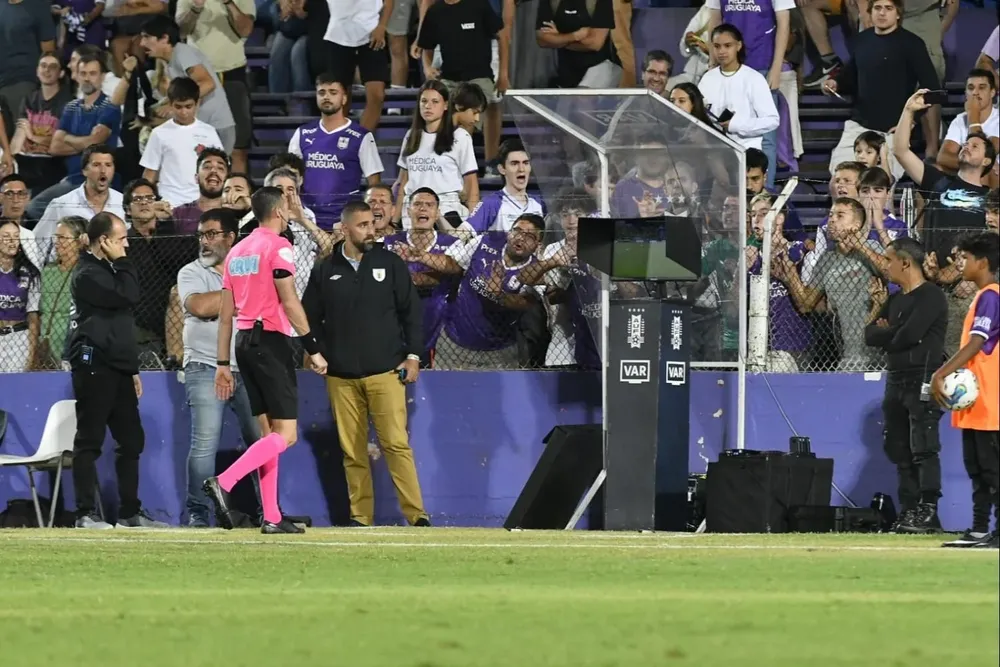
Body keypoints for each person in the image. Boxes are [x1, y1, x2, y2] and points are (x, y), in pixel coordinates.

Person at [203, 187, 328, 535]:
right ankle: (225, 481)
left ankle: (271, 516)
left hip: (243, 343)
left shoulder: (237, 251)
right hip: (271, 342)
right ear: (279, 211)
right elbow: (289, 301)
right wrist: (312, 348)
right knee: (285, 436)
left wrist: (222, 363)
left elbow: (225, 316)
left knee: (267, 435)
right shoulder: (279, 247)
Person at [303, 200, 430, 527]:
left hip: (387, 372)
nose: (371, 230)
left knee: (396, 445)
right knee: (352, 453)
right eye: (362, 225)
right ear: (344, 229)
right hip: (340, 377)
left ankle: (417, 516)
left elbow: (412, 313)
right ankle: (361, 518)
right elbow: (309, 318)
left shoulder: (389, 263)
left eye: (372, 223)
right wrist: (313, 351)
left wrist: (413, 356)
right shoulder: (325, 269)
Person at [68, 212, 167, 529]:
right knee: (89, 440)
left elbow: (122, 325)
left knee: (131, 441)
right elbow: (129, 295)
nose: (126, 244)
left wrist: (132, 368)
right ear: (104, 241)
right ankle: (85, 513)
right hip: (94, 364)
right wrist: (123, 261)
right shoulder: (87, 274)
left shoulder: (109, 270)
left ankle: (130, 514)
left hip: (119, 367)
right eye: (121, 238)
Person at [177, 208, 265, 528]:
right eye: (202, 234)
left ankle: (268, 511)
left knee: (261, 442)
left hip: (247, 368)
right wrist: (241, 289)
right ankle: (199, 514)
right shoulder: (190, 272)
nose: (205, 241)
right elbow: (200, 306)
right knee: (204, 445)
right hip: (204, 366)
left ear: (231, 237)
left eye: (212, 234)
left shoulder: (247, 269)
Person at [863, 237, 948, 534]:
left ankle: (928, 509)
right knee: (899, 446)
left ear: (904, 262)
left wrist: (890, 332)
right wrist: (890, 333)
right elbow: (869, 335)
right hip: (896, 379)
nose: (885, 266)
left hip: (923, 377)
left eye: (888, 260)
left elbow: (909, 335)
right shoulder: (896, 299)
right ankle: (910, 509)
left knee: (924, 446)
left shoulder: (932, 296)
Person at [932, 232, 999, 550]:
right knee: (977, 468)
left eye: (967, 258)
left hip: (990, 401)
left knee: (991, 468)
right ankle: (978, 529)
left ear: (982, 262)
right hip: (977, 401)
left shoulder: (991, 296)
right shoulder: (983, 296)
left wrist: (941, 373)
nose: (961, 263)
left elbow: (977, 342)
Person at [287, 74, 383, 230]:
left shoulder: (361, 136)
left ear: (344, 98)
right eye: (322, 92)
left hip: (345, 222)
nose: (327, 97)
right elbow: (289, 176)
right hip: (307, 219)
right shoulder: (302, 133)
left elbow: (374, 181)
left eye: (333, 92)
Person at [139, 77, 224, 207]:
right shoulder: (159, 133)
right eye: (178, 107)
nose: (183, 112)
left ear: (197, 103)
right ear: (170, 104)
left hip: (202, 202)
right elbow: (150, 174)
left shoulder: (209, 132)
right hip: (169, 202)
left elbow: (222, 169)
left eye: (188, 106)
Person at [697, 24, 779, 153]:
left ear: (738, 46)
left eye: (728, 46)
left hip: (747, 151)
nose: (722, 51)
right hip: (714, 152)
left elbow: (772, 120)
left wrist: (736, 125)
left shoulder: (754, 78)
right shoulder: (707, 79)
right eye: (717, 46)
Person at [0, 220, 40, 372]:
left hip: (18, 339)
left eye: (16, 237)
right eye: (6, 236)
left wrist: (31, 354)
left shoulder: (30, 273)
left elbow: (33, 315)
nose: (12, 241)